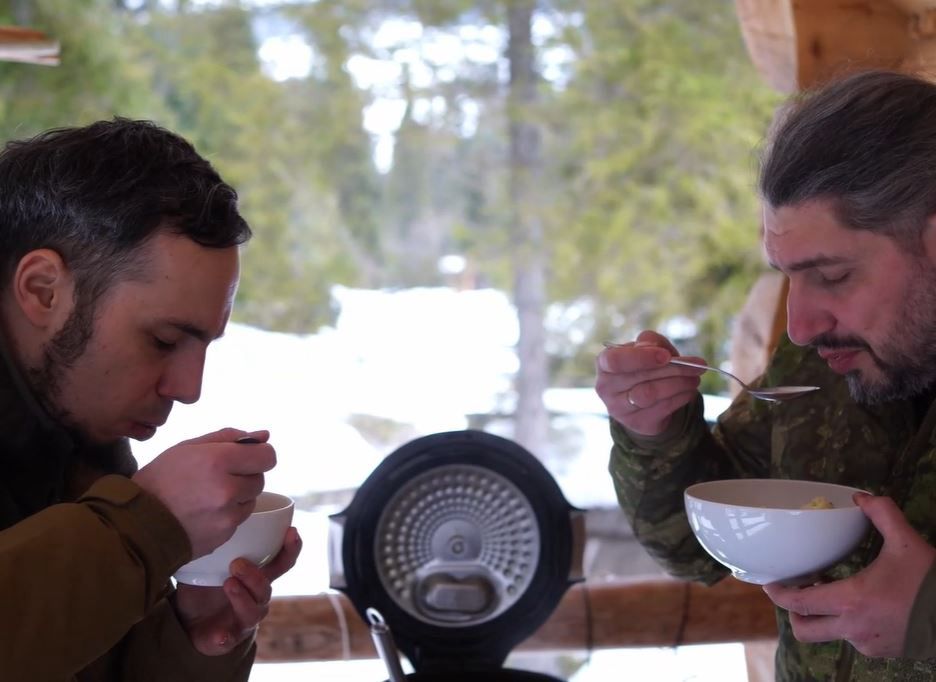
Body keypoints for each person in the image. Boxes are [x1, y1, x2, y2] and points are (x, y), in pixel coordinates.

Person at [595, 69, 936, 681]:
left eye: (831, 276)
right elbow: (695, 545)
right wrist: (655, 431)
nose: (800, 325)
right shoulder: (824, 363)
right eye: (787, 276)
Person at [0, 118, 302, 680]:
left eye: (203, 345)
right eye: (163, 340)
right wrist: (143, 531)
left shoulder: (85, 441)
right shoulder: (115, 501)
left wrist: (189, 638)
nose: (189, 389)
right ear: (43, 290)